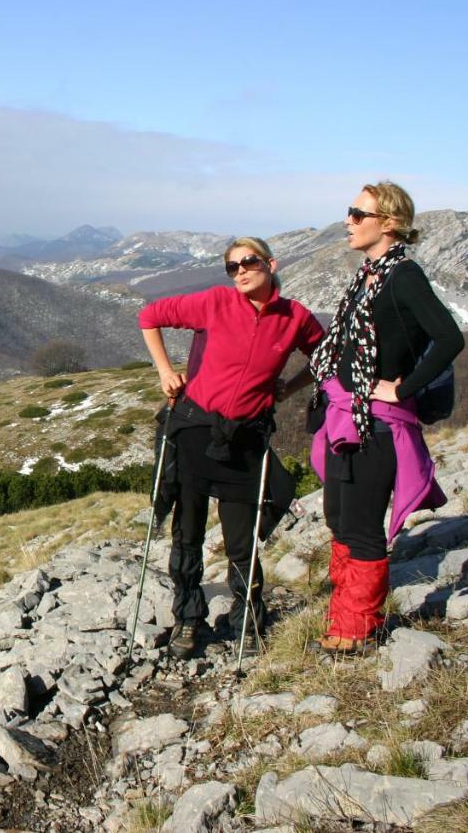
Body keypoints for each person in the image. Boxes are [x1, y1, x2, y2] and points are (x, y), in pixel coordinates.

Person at [139, 237, 324, 658]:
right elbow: (150, 316)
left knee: (241, 541)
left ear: (270, 264)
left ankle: (247, 620)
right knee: (188, 532)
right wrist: (165, 371)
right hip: (194, 429)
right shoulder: (215, 303)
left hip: (245, 438)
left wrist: (288, 389)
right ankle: (188, 618)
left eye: (249, 262)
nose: (240, 270)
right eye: (232, 266)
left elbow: (325, 355)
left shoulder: (295, 317)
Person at [307, 181, 464, 655]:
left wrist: (402, 387)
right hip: (346, 415)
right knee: (339, 516)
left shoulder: (404, 276)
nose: (349, 222)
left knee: (361, 525)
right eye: (349, 213)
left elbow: (449, 338)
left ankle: (358, 630)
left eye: (358, 214)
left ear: (389, 223)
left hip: (376, 421)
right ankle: (344, 614)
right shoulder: (368, 275)